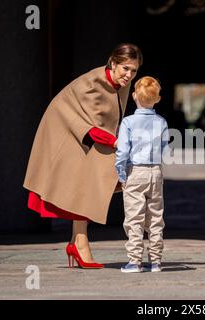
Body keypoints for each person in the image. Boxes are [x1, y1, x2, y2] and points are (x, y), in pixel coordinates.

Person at [23, 43, 143, 269]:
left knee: (84, 182)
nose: (129, 75)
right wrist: (119, 143)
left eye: (134, 70)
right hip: (64, 127)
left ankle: (77, 242)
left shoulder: (120, 83)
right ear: (113, 63)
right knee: (89, 178)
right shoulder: (93, 83)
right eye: (125, 68)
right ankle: (80, 243)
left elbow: (109, 121)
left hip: (90, 132)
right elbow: (91, 127)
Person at [115, 76, 169, 273]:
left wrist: (121, 174)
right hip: (155, 172)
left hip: (135, 172)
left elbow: (122, 151)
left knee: (134, 218)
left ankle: (134, 261)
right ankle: (156, 261)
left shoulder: (128, 122)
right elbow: (164, 149)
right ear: (158, 99)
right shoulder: (161, 122)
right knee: (155, 218)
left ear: (134, 96)